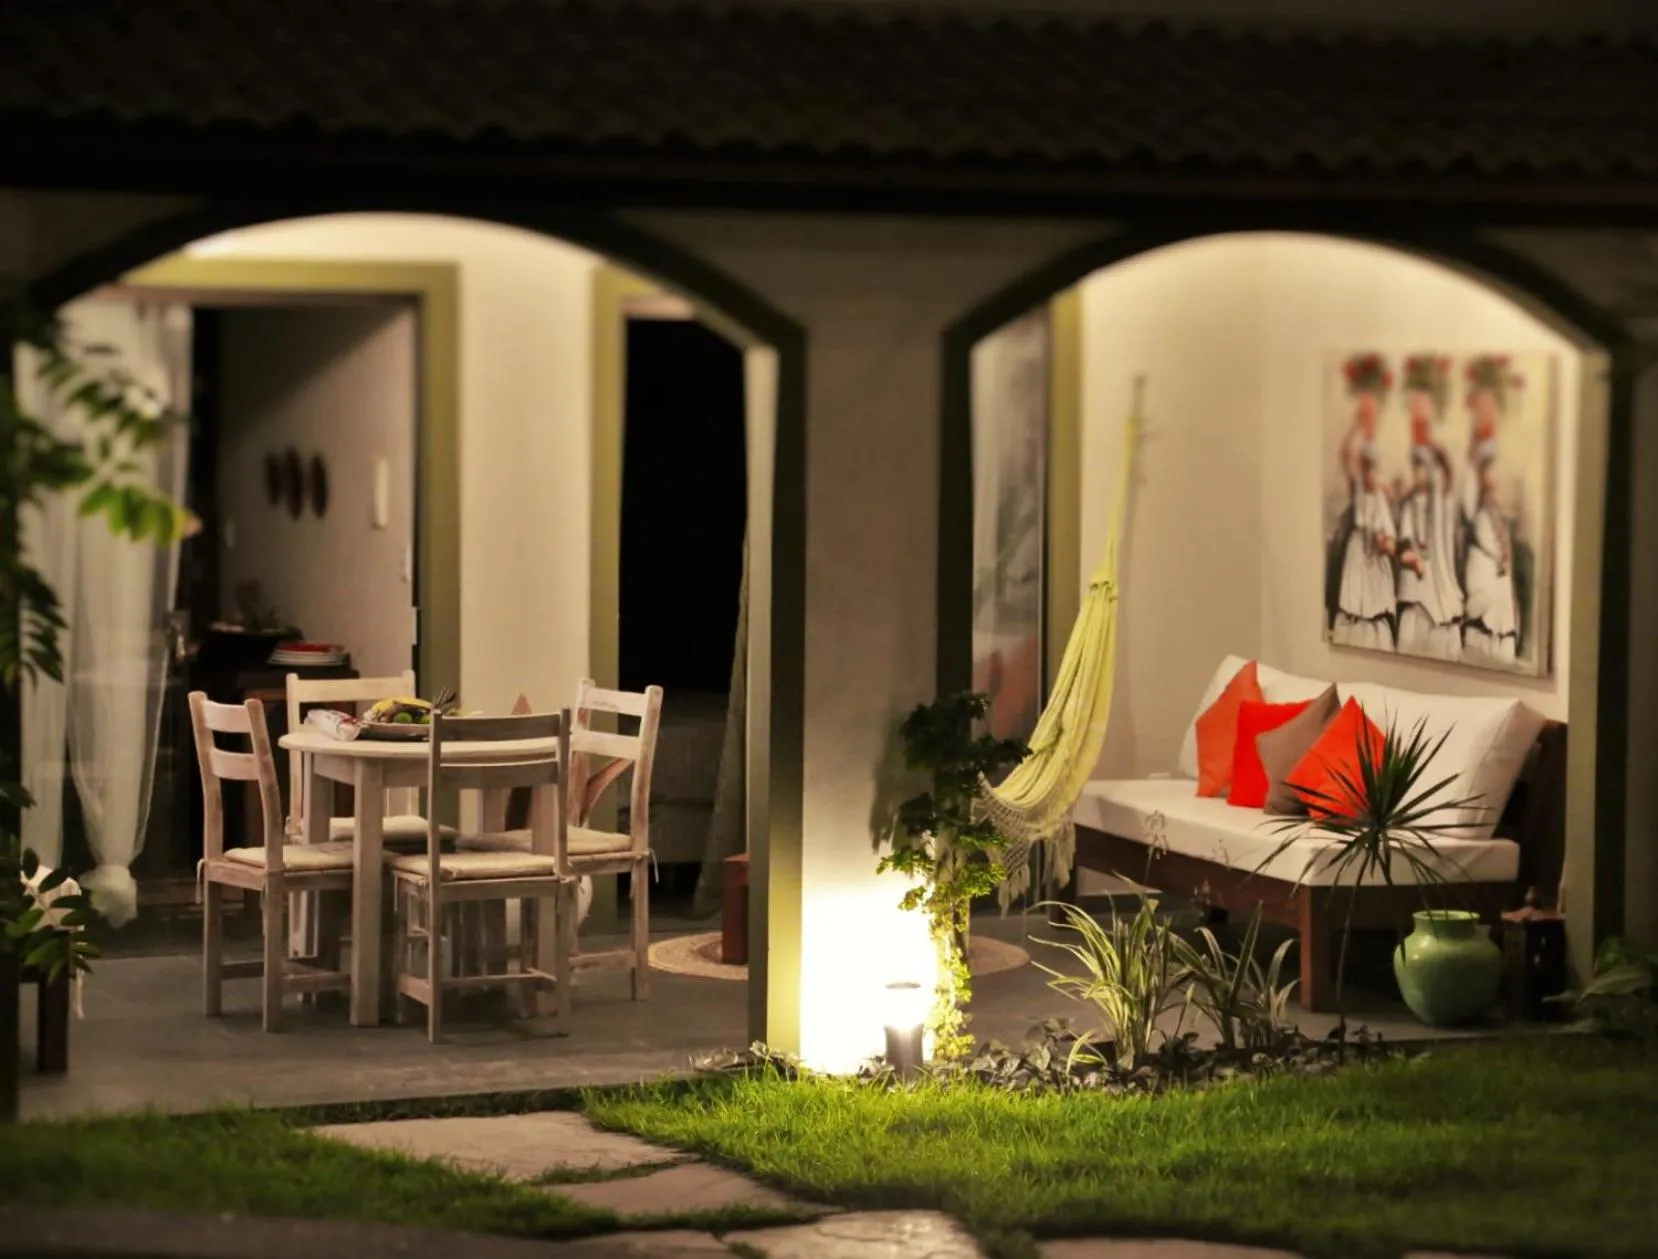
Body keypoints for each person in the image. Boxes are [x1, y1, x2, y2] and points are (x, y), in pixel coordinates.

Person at [1394, 355, 1465, 660]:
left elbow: (1447, 480)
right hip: (1417, 588)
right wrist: (1408, 552)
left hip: (1439, 583)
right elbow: (1405, 536)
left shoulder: (1442, 499)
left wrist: (1437, 452)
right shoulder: (1411, 504)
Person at [1331, 353, 1398, 652]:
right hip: (1361, 548)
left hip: (1377, 550)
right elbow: (1347, 455)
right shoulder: (1360, 485)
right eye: (1364, 412)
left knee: (1375, 613)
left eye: (1372, 412)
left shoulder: (1381, 491)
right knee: (1355, 609)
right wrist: (1355, 427)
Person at [1459, 355, 1521, 664]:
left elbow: (1510, 502)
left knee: (1502, 621)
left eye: (1490, 404)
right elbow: (1468, 506)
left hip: (1500, 556)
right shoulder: (1471, 461)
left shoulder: (1505, 454)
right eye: (1480, 404)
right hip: (1482, 554)